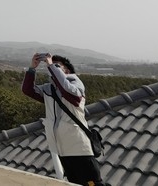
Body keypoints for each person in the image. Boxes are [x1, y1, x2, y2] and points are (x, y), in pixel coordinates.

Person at [22, 53, 106, 186]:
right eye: (50, 65)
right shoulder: (49, 89)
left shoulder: (75, 83)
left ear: (66, 70)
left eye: (57, 65)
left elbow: (68, 91)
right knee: (73, 183)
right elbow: (28, 90)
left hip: (79, 147)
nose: (51, 67)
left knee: (93, 183)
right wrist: (32, 68)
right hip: (62, 148)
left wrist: (51, 66)